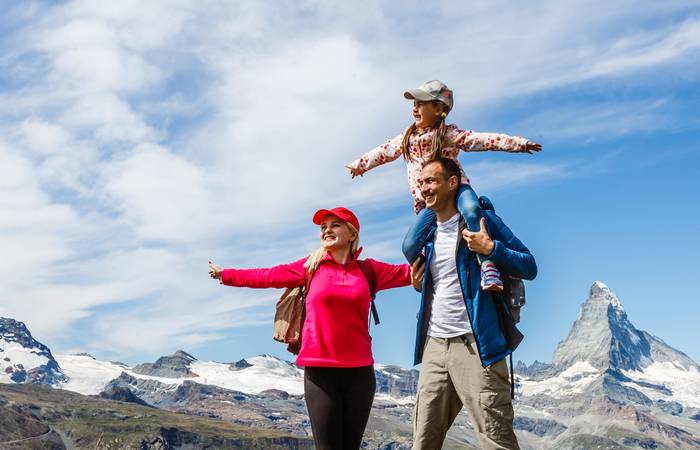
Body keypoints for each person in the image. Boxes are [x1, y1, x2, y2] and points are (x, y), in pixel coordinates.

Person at [208, 207, 418, 450]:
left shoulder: (369, 270)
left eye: (334, 225)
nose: (327, 230)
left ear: (352, 234)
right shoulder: (310, 267)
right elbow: (267, 276)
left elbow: (413, 271)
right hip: (320, 373)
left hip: (360, 373)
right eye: (323, 227)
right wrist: (227, 275)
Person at [346, 80, 541, 291]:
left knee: (472, 209)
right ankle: (428, 271)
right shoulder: (407, 138)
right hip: (429, 201)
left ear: (439, 108)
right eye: (414, 104)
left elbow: (482, 140)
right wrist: (361, 164)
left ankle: (487, 265)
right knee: (410, 244)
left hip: (458, 190)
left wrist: (518, 144)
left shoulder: (448, 134)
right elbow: (383, 151)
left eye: (421, 103)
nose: (415, 108)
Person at [408, 157, 537, 450]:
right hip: (435, 347)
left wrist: (491, 248)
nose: (424, 188)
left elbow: (529, 265)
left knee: (496, 441)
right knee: (422, 442)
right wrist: (420, 283)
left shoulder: (482, 222)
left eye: (431, 181)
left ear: (452, 183)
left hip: (478, 348)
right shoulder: (426, 236)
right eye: (422, 182)